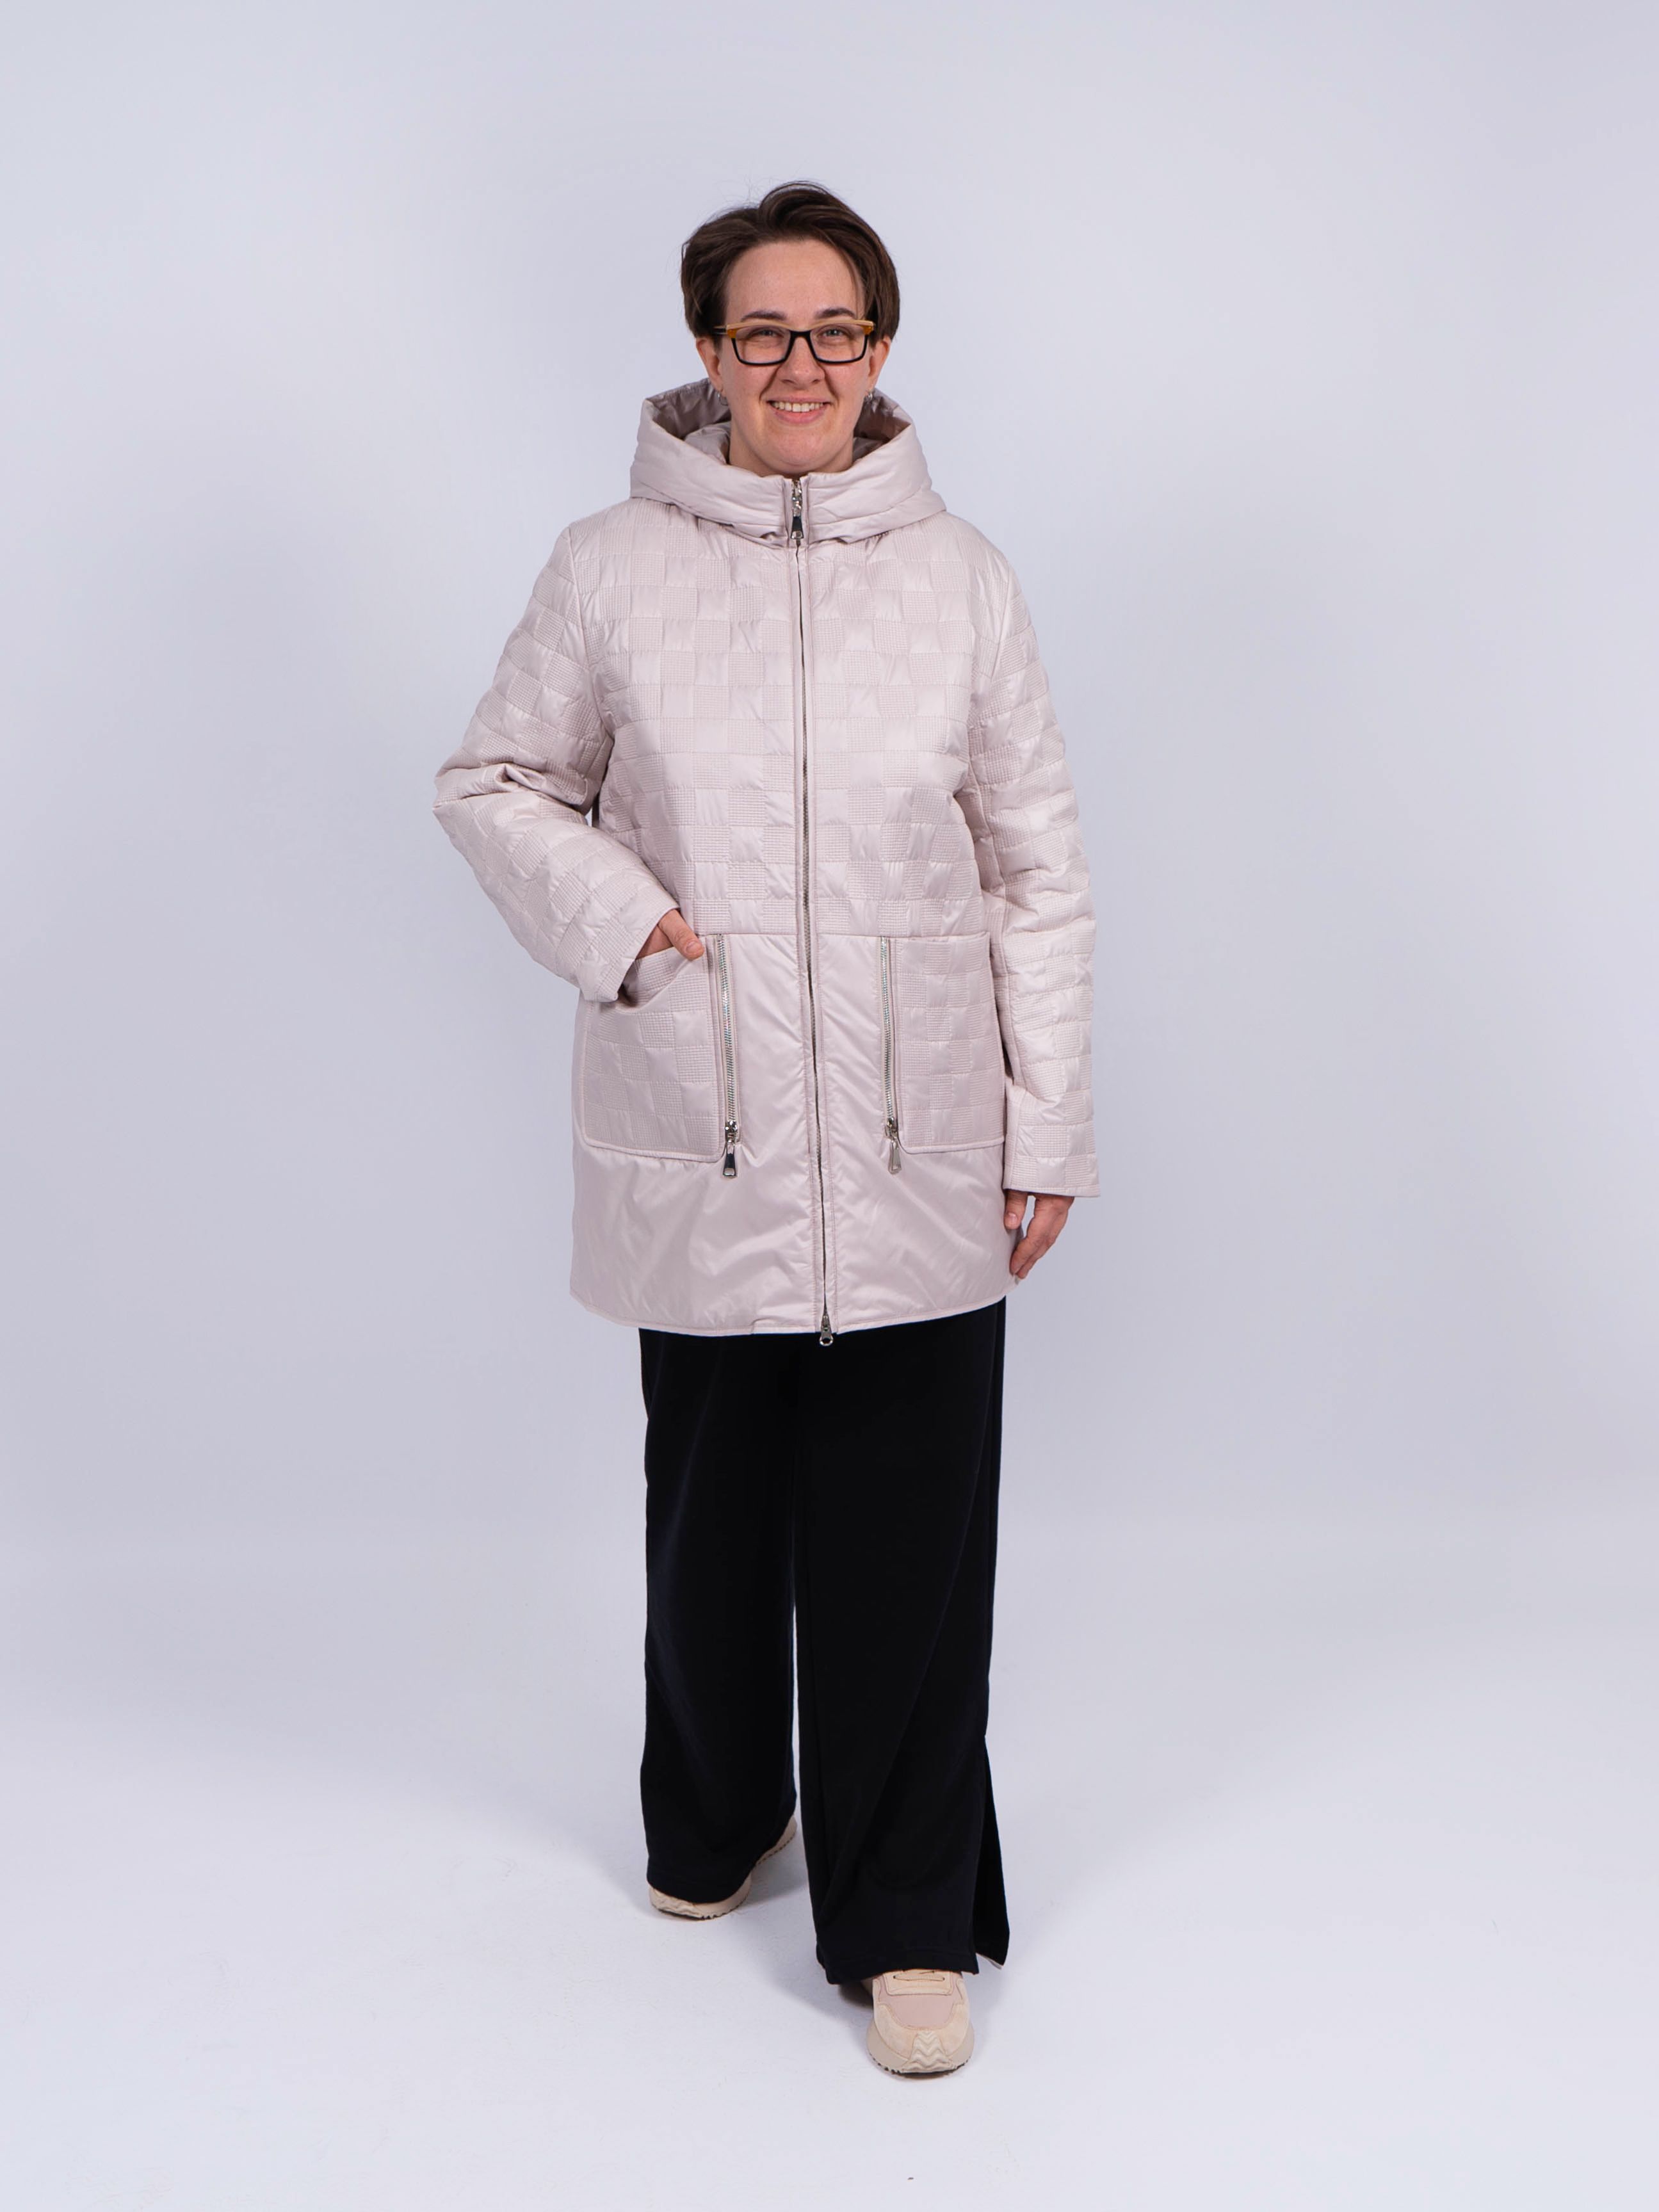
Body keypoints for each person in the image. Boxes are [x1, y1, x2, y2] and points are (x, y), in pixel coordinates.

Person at [433, 182, 1099, 2075]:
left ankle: (909, 1921)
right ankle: (719, 1816)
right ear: (709, 350)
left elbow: (1037, 871)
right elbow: (494, 780)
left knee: (909, 1541)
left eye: (836, 333)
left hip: (916, 1128)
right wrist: (627, 924)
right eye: (763, 333)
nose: (801, 366)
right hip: (702, 1110)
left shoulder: (963, 577)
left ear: (880, 348)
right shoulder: (608, 568)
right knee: (712, 1507)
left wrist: (1044, 1126)